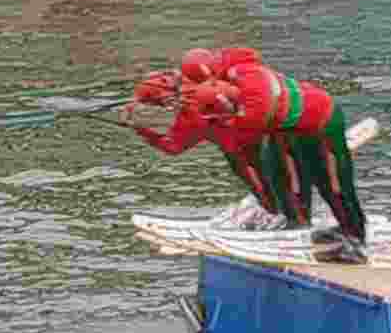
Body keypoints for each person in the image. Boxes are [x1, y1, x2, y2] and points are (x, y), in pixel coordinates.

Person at [221, 60, 370, 262]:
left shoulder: (256, 104)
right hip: (298, 129)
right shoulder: (244, 89)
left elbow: (244, 136)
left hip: (323, 123)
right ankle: (321, 224)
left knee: (334, 186)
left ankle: (356, 240)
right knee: (300, 176)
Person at [128, 67, 301, 230]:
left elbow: (173, 147)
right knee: (278, 179)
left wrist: (142, 131)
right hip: (268, 133)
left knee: (261, 181)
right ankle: (281, 212)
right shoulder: (197, 78)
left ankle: (282, 216)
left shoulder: (191, 114)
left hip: (244, 148)